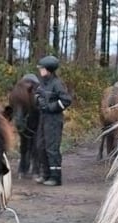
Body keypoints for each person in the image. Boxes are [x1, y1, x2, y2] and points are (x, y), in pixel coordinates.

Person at [34, 55, 72, 186]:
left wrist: (50, 107)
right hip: (43, 118)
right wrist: (38, 100)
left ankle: (55, 177)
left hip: (54, 119)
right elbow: (37, 94)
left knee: (52, 148)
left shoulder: (57, 83)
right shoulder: (43, 82)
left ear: (48, 69)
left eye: (42, 68)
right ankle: (45, 174)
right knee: (40, 146)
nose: (40, 70)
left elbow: (66, 100)